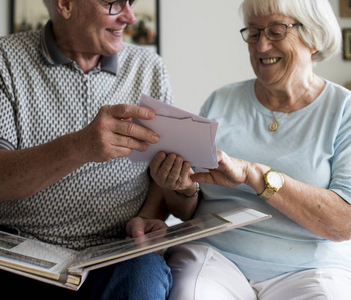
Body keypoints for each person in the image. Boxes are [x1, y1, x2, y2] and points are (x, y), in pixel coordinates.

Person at [0, 0, 174, 299]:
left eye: (131, 2)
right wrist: (81, 146)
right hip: (8, 252)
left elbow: (159, 172)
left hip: (108, 255)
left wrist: (147, 216)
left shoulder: (150, 68)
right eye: (112, 3)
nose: (130, 16)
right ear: (66, 5)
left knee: (143, 277)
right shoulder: (0, 57)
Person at [133, 0, 351, 299]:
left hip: (310, 269)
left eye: (275, 31)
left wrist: (255, 175)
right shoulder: (220, 101)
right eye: (253, 32)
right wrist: (181, 188)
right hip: (215, 256)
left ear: (313, 38)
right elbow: (186, 209)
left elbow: (343, 223)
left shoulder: (344, 110)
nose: (261, 46)